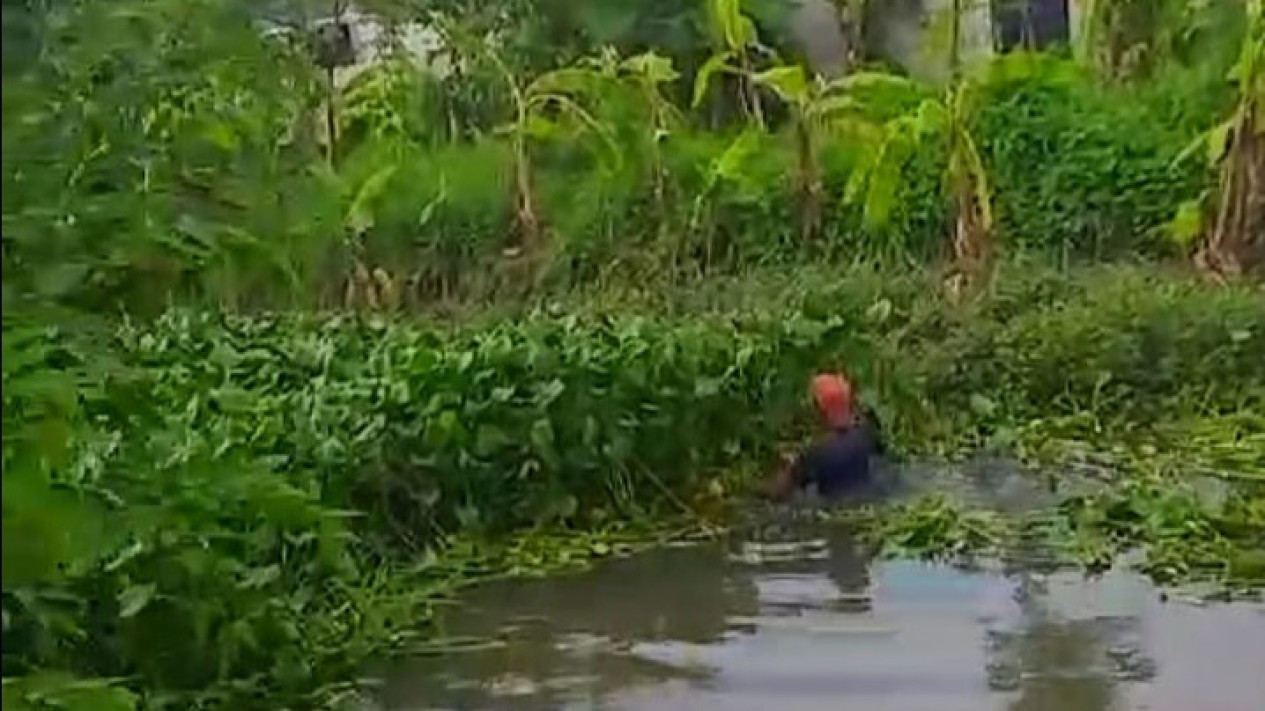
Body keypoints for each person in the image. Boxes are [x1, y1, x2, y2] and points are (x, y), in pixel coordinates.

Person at [762, 373, 884, 502]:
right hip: (869, 498)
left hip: (833, 508)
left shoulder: (816, 452)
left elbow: (778, 493)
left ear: (820, 410)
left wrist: (788, 466)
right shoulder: (865, 433)